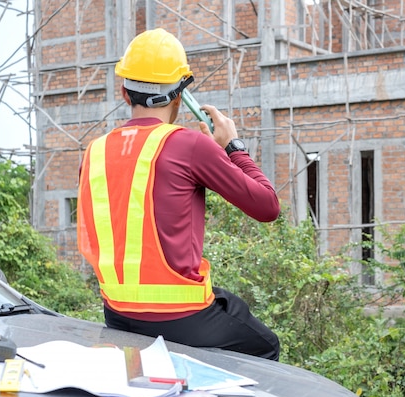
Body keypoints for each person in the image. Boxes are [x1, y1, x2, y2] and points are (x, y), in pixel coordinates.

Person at [76, 28, 281, 361]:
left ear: (125, 93)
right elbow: (267, 206)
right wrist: (233, 146)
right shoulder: (188, 144)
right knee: (265, 345)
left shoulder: (94, 151)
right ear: (179, 94)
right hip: (182, 316)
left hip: (117, 314)